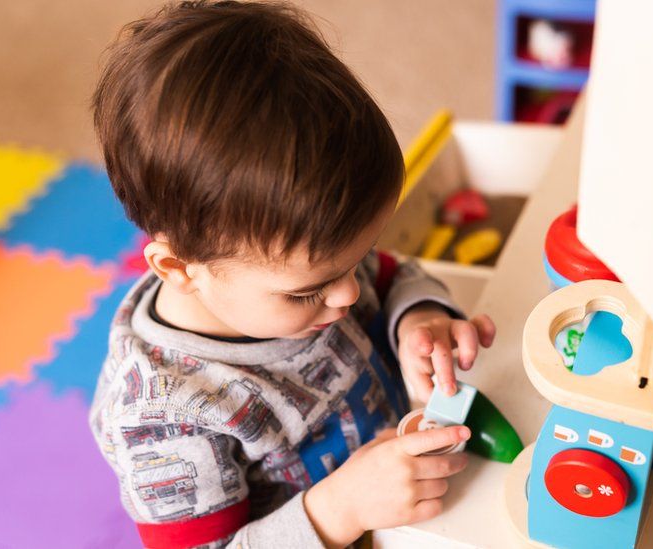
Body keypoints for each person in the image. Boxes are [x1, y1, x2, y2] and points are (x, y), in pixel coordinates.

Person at [88, 2, 495, 547]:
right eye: (308, 291)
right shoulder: (161, 420)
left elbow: (395, 275)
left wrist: (417, 317)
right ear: (181, 268)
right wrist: (339, 509)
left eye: (359, 257)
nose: (350, 292)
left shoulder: (311, 252)